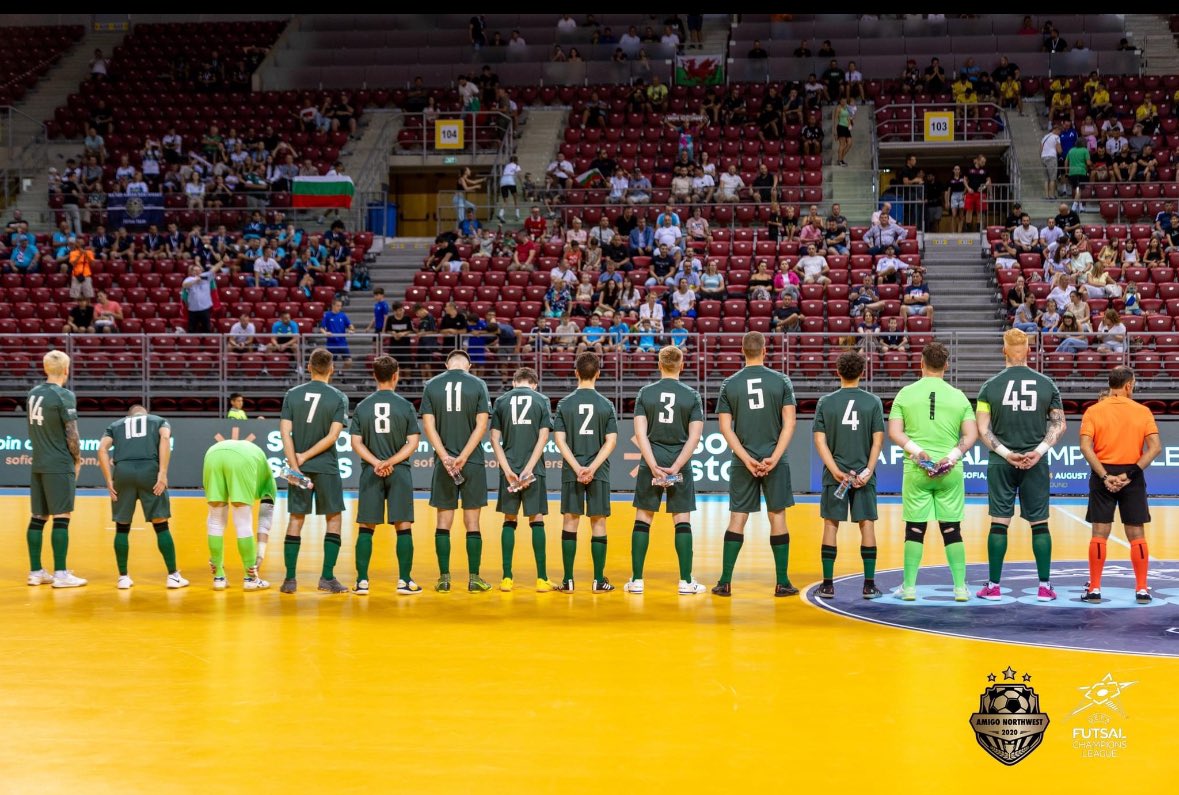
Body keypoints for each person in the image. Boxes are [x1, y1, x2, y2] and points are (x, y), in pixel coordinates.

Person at [975, 329, 1067, 602]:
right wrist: (1037, 452)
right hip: (1035, 463)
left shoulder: (989, 386)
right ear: (1028, 350)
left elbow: (982, 429)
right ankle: (1044, 586)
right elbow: (1059, 424)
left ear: (1004, 350)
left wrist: (1005, 452)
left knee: (999, 523)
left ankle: (993, 586)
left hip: (1000, 462)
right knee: (1040, 524)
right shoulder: (1047, 384)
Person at [887, 342, 978, 601]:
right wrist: (949, 458)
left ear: (921, 363)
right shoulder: (959, 396)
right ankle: (960, 588)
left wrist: (917, 452)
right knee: (952, 528)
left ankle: (909, 587)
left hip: (917, 470)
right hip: (950, 472)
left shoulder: (905, 394)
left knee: (915, 528)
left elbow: (895, 431)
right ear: (946, 366)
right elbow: (971, 435)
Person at [713, 331, 798, 597]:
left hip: (743, 461)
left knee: (737, 517)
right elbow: (790, 423)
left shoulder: (729, 384)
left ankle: (725, 582)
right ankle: (782, 582)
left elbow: (725, 428)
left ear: (741, 349)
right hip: (775, 459)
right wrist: (774, 456)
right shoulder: (781, 380)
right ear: (765, 349)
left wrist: (745, 457)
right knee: (778, 517)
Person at [625, 345, 706, 595]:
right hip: (678, 459)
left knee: (643, 518)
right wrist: (677, 466)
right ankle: (685, 581)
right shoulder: (692, 395)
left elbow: (640, 434)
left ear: (659, 365)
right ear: (682, 365)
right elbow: (695, 437)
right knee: (682, 519)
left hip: (653, 460)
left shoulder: (645, 393)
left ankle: (637, 580)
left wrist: (652, 466)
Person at [1079, 366, 1161, 604]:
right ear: (1129, 385)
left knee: (1099, 533)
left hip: (1102, 473)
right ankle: (1142, 589)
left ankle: (1094, 589)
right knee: (1136, 534)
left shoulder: (1093, 411)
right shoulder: (1142, 411)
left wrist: (1105, 476)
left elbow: (1085, 446)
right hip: (1131, 475)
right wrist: (1130, 474)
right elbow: (1155, 447)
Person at [813, 351, 885, 599]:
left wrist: (835, 471)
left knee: (831, 525)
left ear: (838, 372)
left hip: (836, 476)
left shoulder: (826, 401)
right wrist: (868, 470)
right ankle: (868, 584)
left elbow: (819, 440)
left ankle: (827, 584)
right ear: (862, 373)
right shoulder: (873, 401)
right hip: (864, 475)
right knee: (867, 525)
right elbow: (878, 441)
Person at [278, 348, 350, 594]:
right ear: (331, 369)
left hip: (300, 468)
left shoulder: (292, 394)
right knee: (334, 518)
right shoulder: (339, 397)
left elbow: (284, 432)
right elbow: (333, 435)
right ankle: (327, 578)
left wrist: (296, 464)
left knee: (296, 518)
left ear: (308, 367)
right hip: (326, 466)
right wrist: (307, 455)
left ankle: (289, 580)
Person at [349, 355, 422, 596]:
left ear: (374, 376)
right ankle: (404, 580)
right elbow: (413, 442)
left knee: (365, 526)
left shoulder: (362, 406)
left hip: (371, 471)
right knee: (403, 525)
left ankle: (362, 582)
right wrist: (390, 462)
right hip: (399, 470)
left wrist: (377, 463)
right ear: (395, 375)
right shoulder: (406, 405)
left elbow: (356, 442)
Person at [420, 349, 492, 592]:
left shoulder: (432, 385)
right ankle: (474, 579)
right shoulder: (478, 384)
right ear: (469, 365)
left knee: (443, 520)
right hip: (471, 461)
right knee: (472, 521)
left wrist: (445, 457)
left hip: (444, 462)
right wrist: (463, 456)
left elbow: (428, 425)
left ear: (446, 364)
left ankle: (444, 579)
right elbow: (482, 425)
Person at [97, 405, 186, 590]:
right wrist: (162, 472)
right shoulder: (158, 420)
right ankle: (173, 576)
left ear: (129, 415)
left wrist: (108, 480)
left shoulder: (115, 425)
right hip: (149, 471)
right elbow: (165, 437)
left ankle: (123, 577)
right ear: (145, 413)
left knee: (121, 527)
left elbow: (102, 449)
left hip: (123, 472)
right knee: (161, 524)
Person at [553, 352, 619, 592]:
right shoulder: (606, 404)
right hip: (598, 470)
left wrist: (577, 467)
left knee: (570, 520)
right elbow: (611, 441)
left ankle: (568, 580)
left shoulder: (564, 403)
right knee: (598, 521)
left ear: (576, 373)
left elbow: (559, 440)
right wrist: (592, 467)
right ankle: (598, 580)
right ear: (598, 374)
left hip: (573, 470)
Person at [489, 367, 555, 593]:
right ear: (534, 384)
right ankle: (541, 579)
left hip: (509, 467)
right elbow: (543, 436)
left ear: (515, 382)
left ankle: (507, 578)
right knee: (536, 520)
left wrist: (507, 469)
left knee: (509, 520)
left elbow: (494, 439)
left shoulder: (501, 401)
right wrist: (529, 468)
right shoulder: (542, 399)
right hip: (533, 469)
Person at [26, 351, 85, 588]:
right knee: (62, 516)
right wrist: (77, 458)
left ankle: (35, 572)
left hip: (38, 461)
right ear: (66, 371)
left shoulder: (32, 394)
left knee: (38, 517)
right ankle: (61, 574)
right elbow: (72, 433)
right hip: (59, 462)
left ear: (45, 368)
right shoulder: (64, 395)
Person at [200, 439, 277, 590]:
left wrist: (215, 558)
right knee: (243, 522)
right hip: (242, 460)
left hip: (212, 455)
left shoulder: (259, 461)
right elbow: (265, 521)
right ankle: (250, 578)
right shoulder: (270, 484)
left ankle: (219, 578)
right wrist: (260, 555)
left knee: (215, 519)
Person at [182, 261, 222, 333]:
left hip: (205, 309)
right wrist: (195, 281)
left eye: (198, 270)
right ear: (192, 272)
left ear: (201, 270)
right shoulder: (189, 279)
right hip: (193, 310)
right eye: (195, 270)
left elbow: (215, 269)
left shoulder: (206, 276)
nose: (197, 272)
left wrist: (222, 261)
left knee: (207, 329)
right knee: (191, 329)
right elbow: (184, 285)